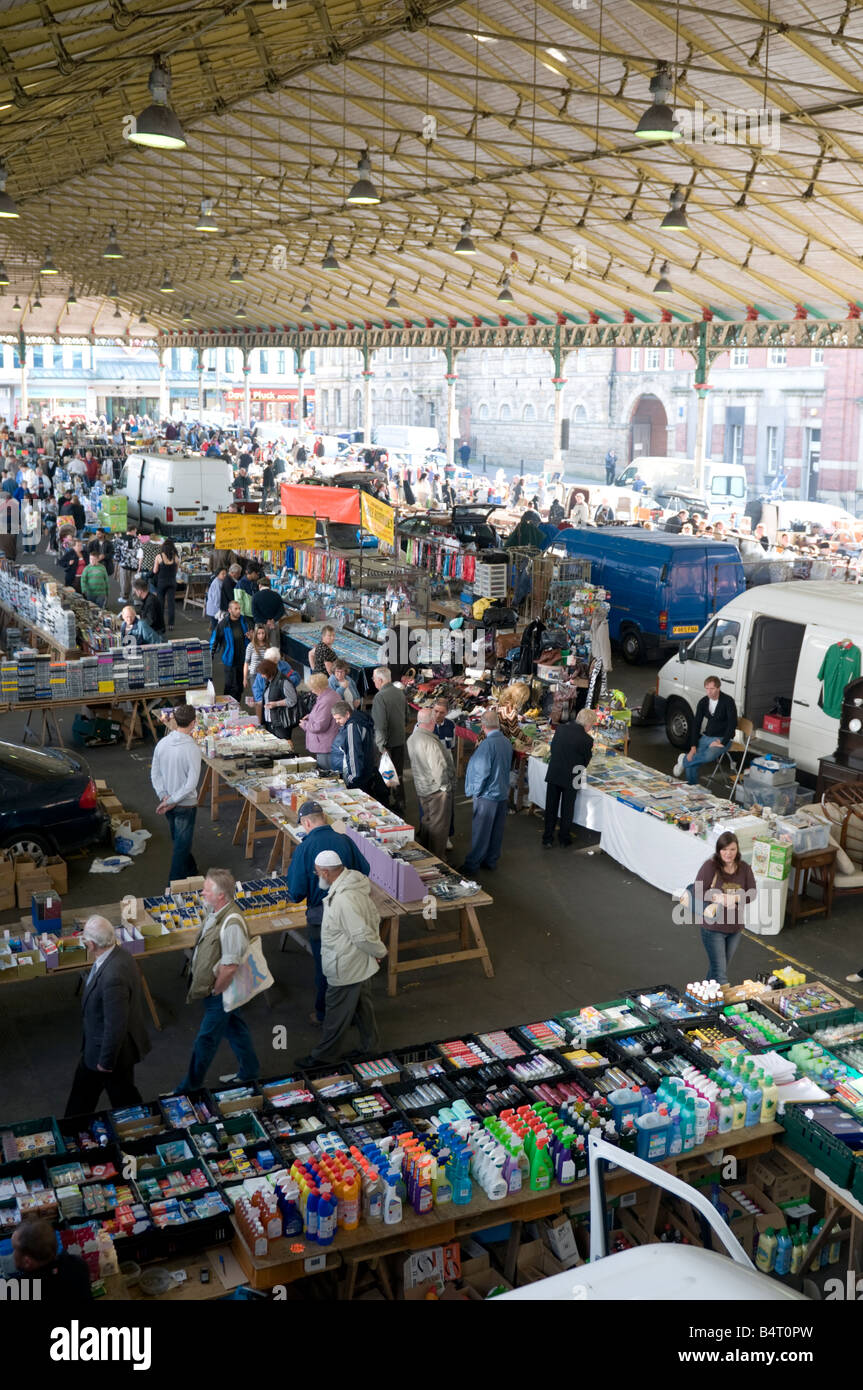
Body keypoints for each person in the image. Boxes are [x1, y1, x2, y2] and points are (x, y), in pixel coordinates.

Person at [294, 850, 386, 1068]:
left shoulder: (344, 899)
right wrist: (373, 953)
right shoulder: (354, 885)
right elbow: (372, 919)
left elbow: (361, 934)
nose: (317, 877)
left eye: (318, 873)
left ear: (326, 872)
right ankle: (370, 1048)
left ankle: (323, 1056)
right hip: (360, 963)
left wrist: (379, 951)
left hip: (346, 965)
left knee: (335, 1013)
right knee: (363, 1007)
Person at [175, 868, 261, 1091]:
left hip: (221, 992)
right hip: (221, 991)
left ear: (221, 895)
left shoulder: (231, 924)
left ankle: (188, 1089)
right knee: (236, 1029)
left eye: (206, 889)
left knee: (205, 1041)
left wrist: (216, 990)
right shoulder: (216, 911)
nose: (202, 893)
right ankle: (250, 1071)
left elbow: (230, 967)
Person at [287, 801, 371, 1025]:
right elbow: (365, 870)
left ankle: (325, 1015)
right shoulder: (344, 840)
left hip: (320, 917)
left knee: (326, 967)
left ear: (306, 822)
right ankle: (354, 1013)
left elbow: (295, 892)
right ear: (323, 817)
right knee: (350, 963)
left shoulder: (304, 848)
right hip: (350, 911)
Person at [64, 915, 151, 1116]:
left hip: (106, 1053)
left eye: (85, 940)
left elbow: (115, 1025)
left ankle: (72, 1134)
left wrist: (105, 1060)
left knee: (85, 1098)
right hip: (117, 1052)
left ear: (92, 945)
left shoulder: (113, 977)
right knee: (123, 1096)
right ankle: (139, 1128)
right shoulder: (122, 955)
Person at [694, 832, 756, 986]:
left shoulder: (744, 868)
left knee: (717, 970)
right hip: (714, 928)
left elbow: (752, 893)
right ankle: (720, 1005)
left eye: (732, 849)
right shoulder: (710, 866)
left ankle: (702, 998)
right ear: (718, 850)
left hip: (735, 928)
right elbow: (697, 890)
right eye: (724, 849)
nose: (728, 853)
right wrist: (717, 897)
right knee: (720, 975)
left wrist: (734, 898)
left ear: (738, 850)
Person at [150, 703, 202, 883]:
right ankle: (175, 884)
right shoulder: (192, 749)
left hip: (167, 801)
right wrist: (172, 799)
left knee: (179, 840)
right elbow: (191, 783)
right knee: (181, 845)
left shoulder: (162, 744)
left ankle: (192, 869)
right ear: (193, 723)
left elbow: (155, 772)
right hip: (184, 804)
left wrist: (164, 795)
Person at [461, 709, 514, 875]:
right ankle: (491, 860)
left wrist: (475, 791)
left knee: (481, 832)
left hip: (488, 795)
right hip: (502, 792)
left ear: (483, 726)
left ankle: (472, 865)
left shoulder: (487, 744)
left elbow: (481, 771)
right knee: (496, 831)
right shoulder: (506, 742)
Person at [542, 708, 597, 848]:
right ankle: (564, 838)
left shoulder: (561, 729)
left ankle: (547, 838)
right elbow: (585, 762)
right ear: (588, 723)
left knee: (551, 806)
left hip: (555, 772)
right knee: (568, 808)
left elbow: (553, 749)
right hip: (573, 776)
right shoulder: (587, 740)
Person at [408, 708, 455, 860]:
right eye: (434, 720)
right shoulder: (430, 741)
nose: (436, 722)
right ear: (430, 722)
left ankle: (426, 854)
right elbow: (439, 769)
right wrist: (445, 787)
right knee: (439, 826)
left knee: (427, 821)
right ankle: (437, 859)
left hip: (422, 787)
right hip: (435, 790)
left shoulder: (412, 738)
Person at [674, 675, 737, 785]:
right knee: (692, 762)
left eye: (712, 689)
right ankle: (692, 788)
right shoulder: (703, 702)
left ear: (718, 688)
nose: (709, 692)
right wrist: (693, 747)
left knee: (708, 756)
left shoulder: (728, 701)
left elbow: (732, 724)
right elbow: (696, 724)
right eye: (707, 689)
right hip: (706, 736)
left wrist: (723, 742)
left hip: (722, 738)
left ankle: (683, 762)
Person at [11, 1219, 93, 1303]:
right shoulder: (77, 1264)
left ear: (27, 1262)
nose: (12, 1254)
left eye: (14, 1249)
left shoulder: (17, 1290)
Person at [371, 666, 407, 815]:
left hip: (387, 744)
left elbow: (380, 725)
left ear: (380, 680)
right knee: (397, 775)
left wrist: (380, 746)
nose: (373, 682)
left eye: (374, 679)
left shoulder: (380, 697)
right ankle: (401, 804)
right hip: (399, 740)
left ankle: (385, 807)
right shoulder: (399, 693)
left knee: (384, 775)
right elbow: (406, 716)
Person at [331, 699, 380, 794]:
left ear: (347, 714)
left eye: (339, 718)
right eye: (335, 719)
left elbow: (353, 753)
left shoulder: (352, 728)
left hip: (357, 779)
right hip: (366, 772)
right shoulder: (360, 720)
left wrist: (352, 777)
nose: (337, 722)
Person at [211, 599, 251, 701]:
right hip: (229, 660)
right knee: (230, 686)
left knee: (239, 687)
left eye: (239, 609)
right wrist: (210, 656)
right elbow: (214, 640)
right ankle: (226, 707)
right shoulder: (223, 624)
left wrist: (251, 636)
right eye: (236, 609)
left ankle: (236, 707)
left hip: (242, 660)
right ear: (229, 610)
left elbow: (253, 636)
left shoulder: (245, 621)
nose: (238, 611)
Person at [300, 671, 340, 771]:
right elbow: (323, 715)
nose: (312, 691)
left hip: (325, 744)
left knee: (327, 773)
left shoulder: (326, 701)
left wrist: (305, 725)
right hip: (329, 742)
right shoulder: (332, 694)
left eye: (313, 689)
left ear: (318, 688)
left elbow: (319, 726)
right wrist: (310, 716)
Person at [261, 645, 299, 742]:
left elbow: (292, 700)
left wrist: (276, 704)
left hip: (281, 721)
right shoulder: (268, 680)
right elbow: (260, 691)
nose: (261, 676)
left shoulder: (283, 680)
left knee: (285, 745)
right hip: (270, 719)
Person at [152, 537, 179, 631]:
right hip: (172, 582)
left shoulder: (159, 556)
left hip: (161, 583)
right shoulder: (176, 556)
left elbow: (155, 571)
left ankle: (161, 623)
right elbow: (176, 571)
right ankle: (171, 624)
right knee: (171, 603)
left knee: (161, 603)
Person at [243, 622, 271, 694]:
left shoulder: (268, 646)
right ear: (255, 634)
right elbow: (246, 663)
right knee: (257, 697)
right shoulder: (250, 646)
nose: (261, 636)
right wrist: (245, 678)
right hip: (254, 675)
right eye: (258, 633)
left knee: (266, 696)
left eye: (263, 633)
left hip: (266, 674)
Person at [117, 522, 140, 602]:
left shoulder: (120, 540)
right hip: (135, 565)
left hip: (124, 565)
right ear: (133, 530)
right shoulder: (137, 540)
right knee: (135, 582)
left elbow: (117, 553)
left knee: (124, 582)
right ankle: (136, 599)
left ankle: (124, 597)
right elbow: (140, 553)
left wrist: (119, 561)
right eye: (135, 531)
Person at [206, 565, 228, 632]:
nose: (225, 575)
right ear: (218, 574)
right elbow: (217, 599)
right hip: (215, 609)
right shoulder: (217, 583)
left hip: (215, 608)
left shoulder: (220, 581)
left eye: (225, 573)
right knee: (215, 627)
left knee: (216, 627)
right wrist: (221, 609)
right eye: (222, 574)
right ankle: (214, 641)